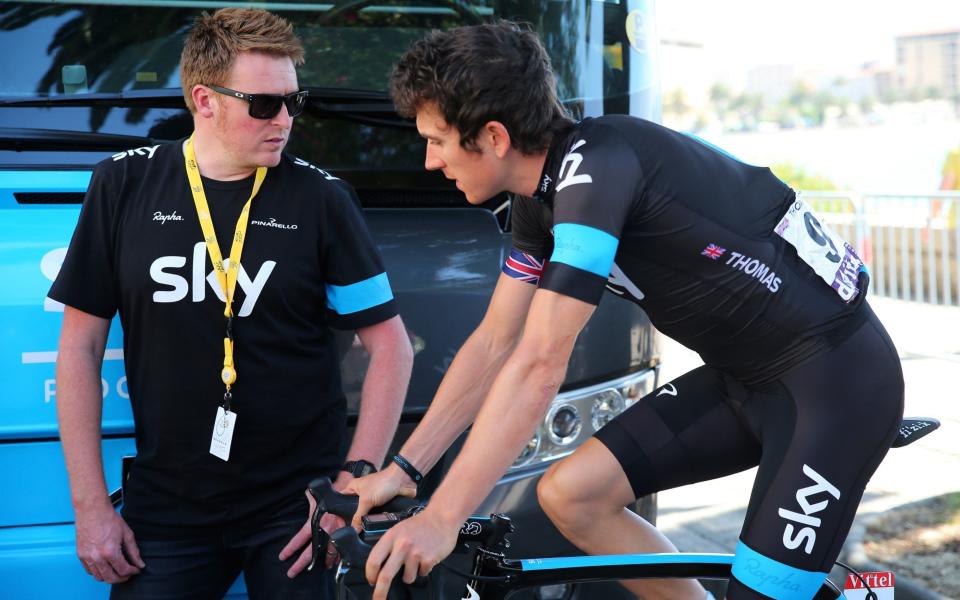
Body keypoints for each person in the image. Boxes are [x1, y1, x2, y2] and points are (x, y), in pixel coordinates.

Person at [344, 21, 905, 600]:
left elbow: (539, 363)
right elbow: (494, 344)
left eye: (436, 141)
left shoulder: (598, 170)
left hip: (837, 387)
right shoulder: (540, 199)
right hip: (747, 381)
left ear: (493, 136)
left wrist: (442, 520)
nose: (431, 161)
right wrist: (403, 472)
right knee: (573, 494)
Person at [50, 8, 413, 599]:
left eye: (294, 102)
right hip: (166, 510)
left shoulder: (322, 198)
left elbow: (391, 348)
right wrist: (90, 506)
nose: (286, 121)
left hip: (295, 509)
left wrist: (350, 486)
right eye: (265, 105)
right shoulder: (122, 185)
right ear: (205, 100)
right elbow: (80, 348)